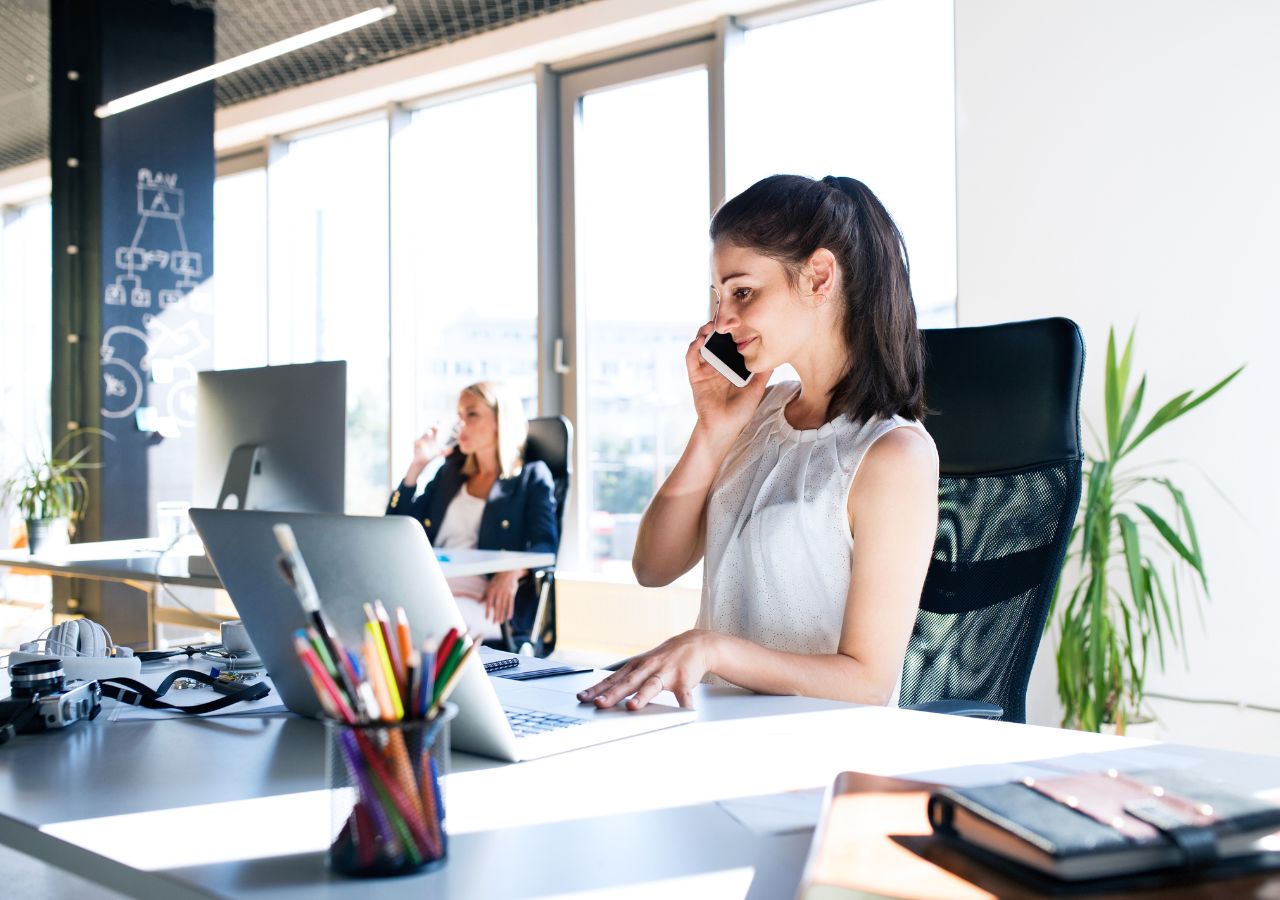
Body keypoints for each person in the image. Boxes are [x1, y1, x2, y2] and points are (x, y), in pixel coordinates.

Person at [577, 174, 939, 711]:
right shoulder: (759, 412)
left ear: (818, 277)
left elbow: (868, 683)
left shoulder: (893, 455)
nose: (721, 319)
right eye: (719, 297)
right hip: (712, 727)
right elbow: (653, 567)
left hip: (808, 755)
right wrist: (713, 430)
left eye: (742, 292)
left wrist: (715, 650)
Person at [387, 381, 557, 642]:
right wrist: (417, 466)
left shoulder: (531, 477)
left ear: (500, 421)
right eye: (459, 416)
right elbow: (396, 529)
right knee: (373, 616)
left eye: (471, 414)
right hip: (428, 586)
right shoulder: (450, 473)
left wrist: (513, 571)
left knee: (423, 625)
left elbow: (545, 546)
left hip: (485, 599)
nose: (460, 425)